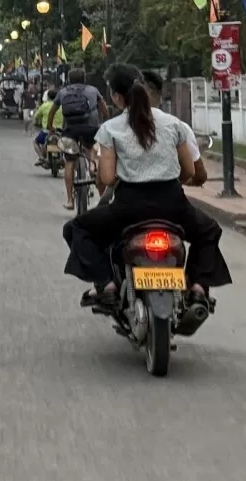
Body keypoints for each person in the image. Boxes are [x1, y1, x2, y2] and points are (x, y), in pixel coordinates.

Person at [62, 64, 231, 309]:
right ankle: (197, 287)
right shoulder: (174, 124)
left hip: (128, 209)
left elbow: (108, 179)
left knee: (76, 228)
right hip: (173, 205)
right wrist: (171, 180)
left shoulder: (111, 128)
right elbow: (190, 172)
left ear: (116, 97)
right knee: (209, 231)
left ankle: (106, 283)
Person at [51, 68, 111, 211]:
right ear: (84, 78)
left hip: (70, 129)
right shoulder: (93, 90)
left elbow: (52, 111)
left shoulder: (63, 92)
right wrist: (106, 121)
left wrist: (50, 128)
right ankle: (92, 168)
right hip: (90, 127)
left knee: (70, 161)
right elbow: (104, 109)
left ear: (69, 80)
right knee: (92, 150)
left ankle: (70, 200)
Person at [142, 70, 205, 184]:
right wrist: (173, 184)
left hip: (130, 199)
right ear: (161, 97)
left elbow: (105, 178)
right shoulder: (179, 127)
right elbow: (197, 173)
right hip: (169, 197)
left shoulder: (116, 128)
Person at [34, 88, 62, 163]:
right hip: (60, 132)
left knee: (35, 142)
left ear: (48, 97)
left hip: (47, 131)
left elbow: (36, 116)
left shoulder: (44, 105)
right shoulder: (61, 106)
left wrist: (36, 123)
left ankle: (41, 157)